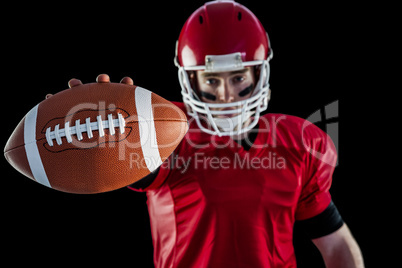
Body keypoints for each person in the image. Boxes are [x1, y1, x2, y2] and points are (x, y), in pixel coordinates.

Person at [62, 1, 364, 267]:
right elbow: (127, 159)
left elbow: (335, 243)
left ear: (259, 74)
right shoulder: (165, 130)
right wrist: (100, 133)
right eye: (211, 80)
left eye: (238, 77)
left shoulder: (299, 142)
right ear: (191, 79)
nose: (226, 96)